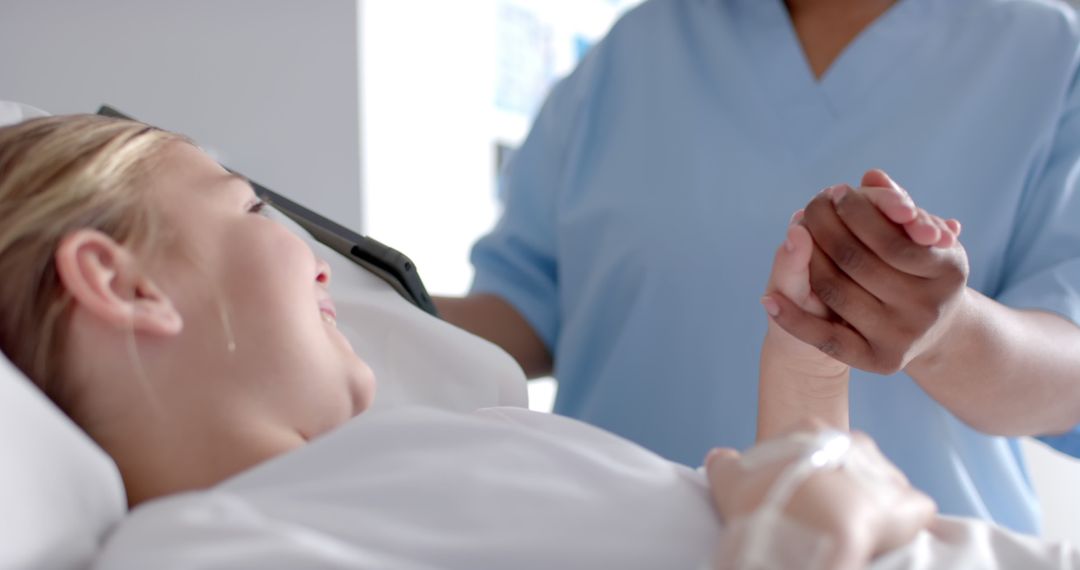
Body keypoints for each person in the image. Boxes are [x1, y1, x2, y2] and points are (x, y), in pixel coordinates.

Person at [3, 113, 1071, 569]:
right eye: (246, 209)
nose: (315, 260)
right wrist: (812, 515)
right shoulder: (200, 550)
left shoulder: (418, 454)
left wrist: (807, 368)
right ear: (119, 280)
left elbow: (727, 520)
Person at [435, 0, 1080, 534]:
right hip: (615, 540)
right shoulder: (634, 49)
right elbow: (521, 309)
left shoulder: (1052, 57)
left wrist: (949, 334)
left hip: (907, 549)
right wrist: (353, 301)